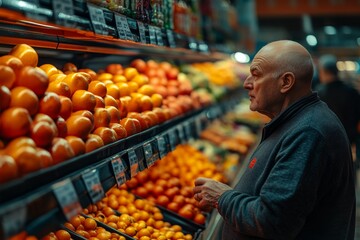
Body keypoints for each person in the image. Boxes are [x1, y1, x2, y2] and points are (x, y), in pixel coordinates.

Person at [193, 40, 355, 239]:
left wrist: (222, 197)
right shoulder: (297, 121)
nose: (247, 83)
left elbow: (272, 221)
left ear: (285, 82)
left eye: (256, 74)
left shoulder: (308, 132)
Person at [316, 54, 360, 164]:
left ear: (322, 71)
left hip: (324, 144)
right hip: (349, 143)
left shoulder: (318, 93)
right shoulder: (351, 92)